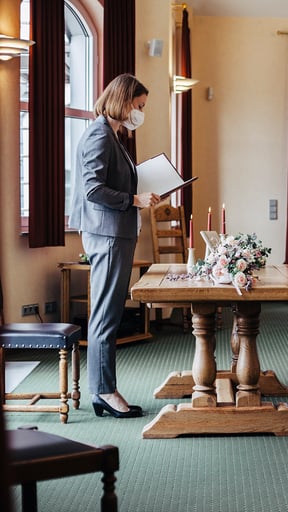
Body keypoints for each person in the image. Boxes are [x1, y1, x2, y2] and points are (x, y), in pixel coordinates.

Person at [69, 73, 160, 419]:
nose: (140, 113)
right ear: (122, 101)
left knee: (110, 312)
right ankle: (104, 391)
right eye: (138, 106)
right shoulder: (98, 135)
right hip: (106, 233)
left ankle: (103, 388)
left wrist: (140, 192)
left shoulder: (114, 136)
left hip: (116, 232)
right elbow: (93, 190)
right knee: (106, 314)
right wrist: (134, 199)